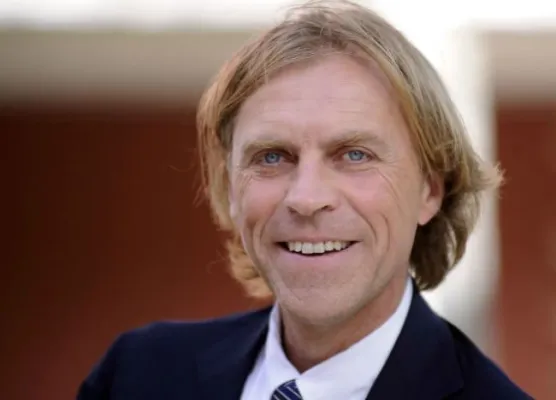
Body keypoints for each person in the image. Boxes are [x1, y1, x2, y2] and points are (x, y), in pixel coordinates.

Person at [77, 1, 532, 399]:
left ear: (430, 190)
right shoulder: (136, 377)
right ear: (230, 187)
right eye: (272, 157)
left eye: (354, 154)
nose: (307, 198)